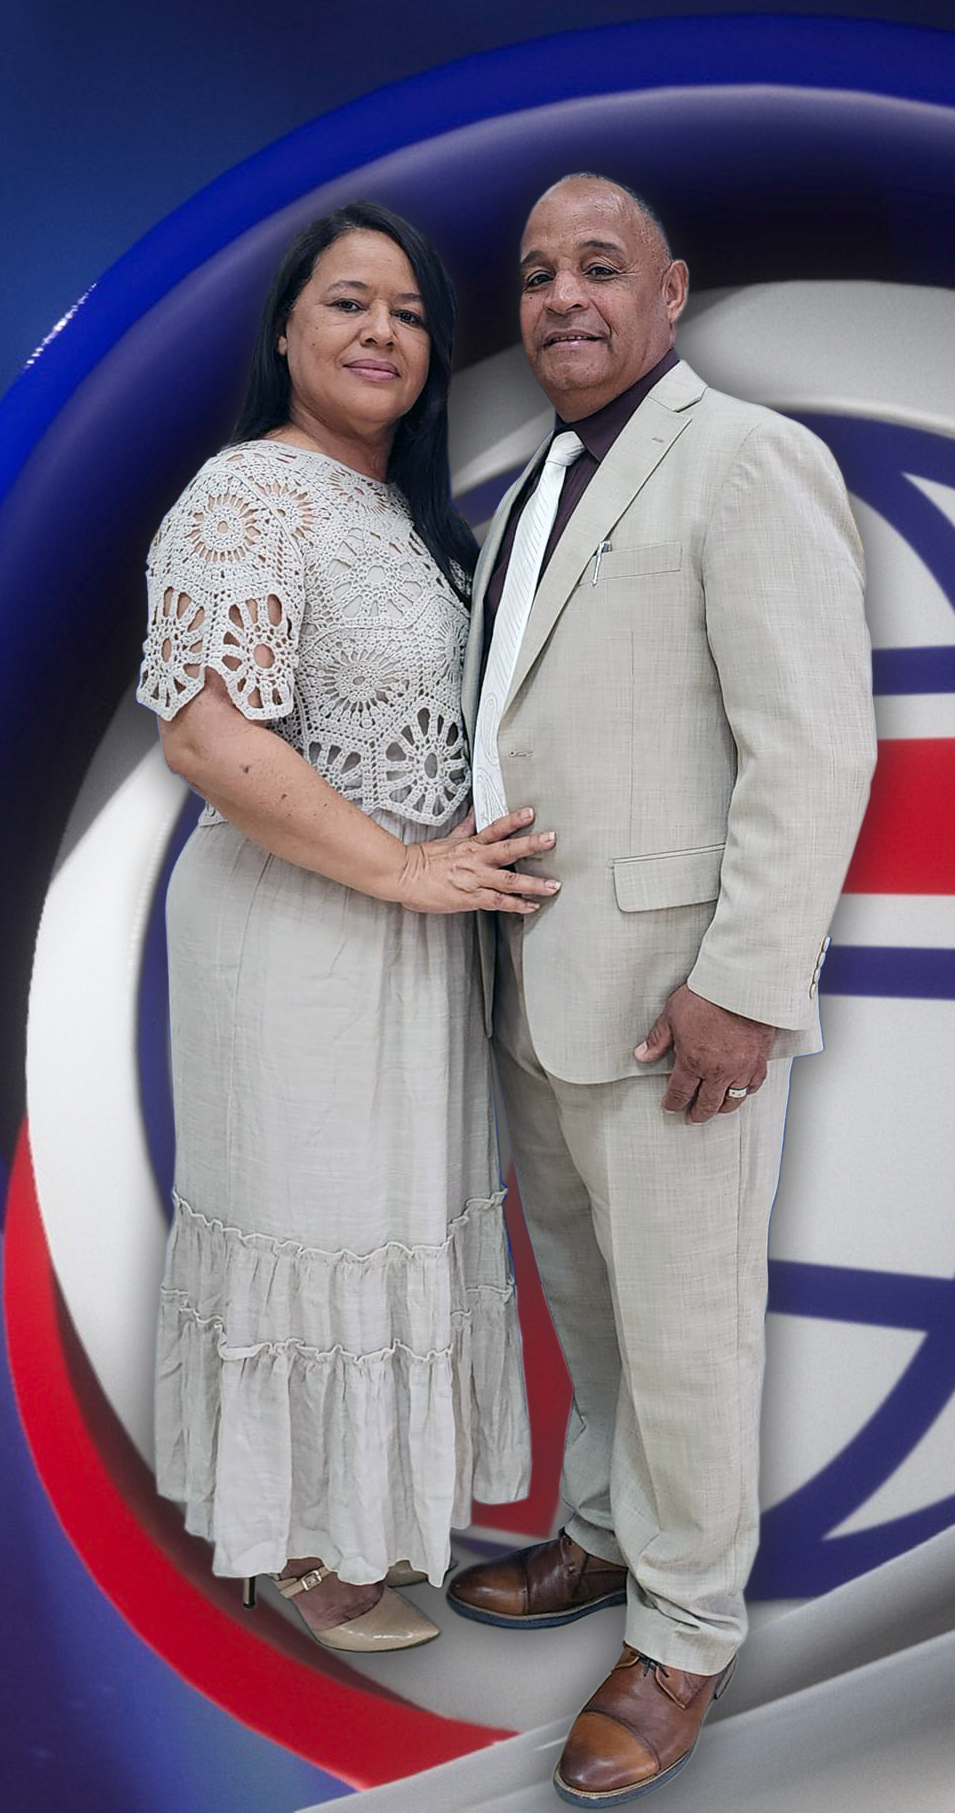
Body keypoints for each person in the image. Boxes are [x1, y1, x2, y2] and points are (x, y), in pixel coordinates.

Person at [447, 174, 877, 1800]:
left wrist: (744, 985)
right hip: (533, 984)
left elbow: (816, 742)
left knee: (689, 1335)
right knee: (595, 1312)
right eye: (539, 271)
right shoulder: (534, 493)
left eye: (599, 267)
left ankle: (685, 1635)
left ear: (669, 293)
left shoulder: (746, 458)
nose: (562, 294)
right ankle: (608, 1538)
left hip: (670, 1000)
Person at [136, 202, 557, 1654]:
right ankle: (301, 1547)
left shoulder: (397, 514)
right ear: (286, 333)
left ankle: (362, 1524)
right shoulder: (246, 494)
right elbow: (207, 738)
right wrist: (398, 872)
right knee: (316, 1227)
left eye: (410, 313)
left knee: (393, 1227)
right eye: (346, 304)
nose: (382, 333)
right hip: (300, 933)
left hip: (403, 929)